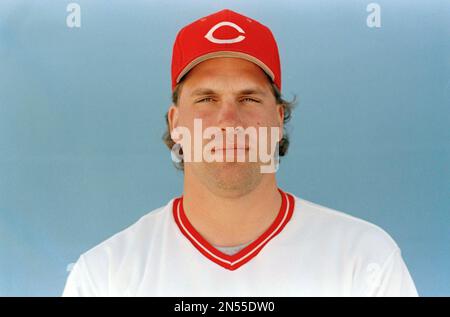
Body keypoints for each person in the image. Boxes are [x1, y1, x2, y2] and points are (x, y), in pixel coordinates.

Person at [63, 8, 418, 296]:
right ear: (175, 123)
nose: (228, 121)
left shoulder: (364, 260)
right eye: (206, 99)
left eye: (248, 98)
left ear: (278, 119)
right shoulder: (105, 276)